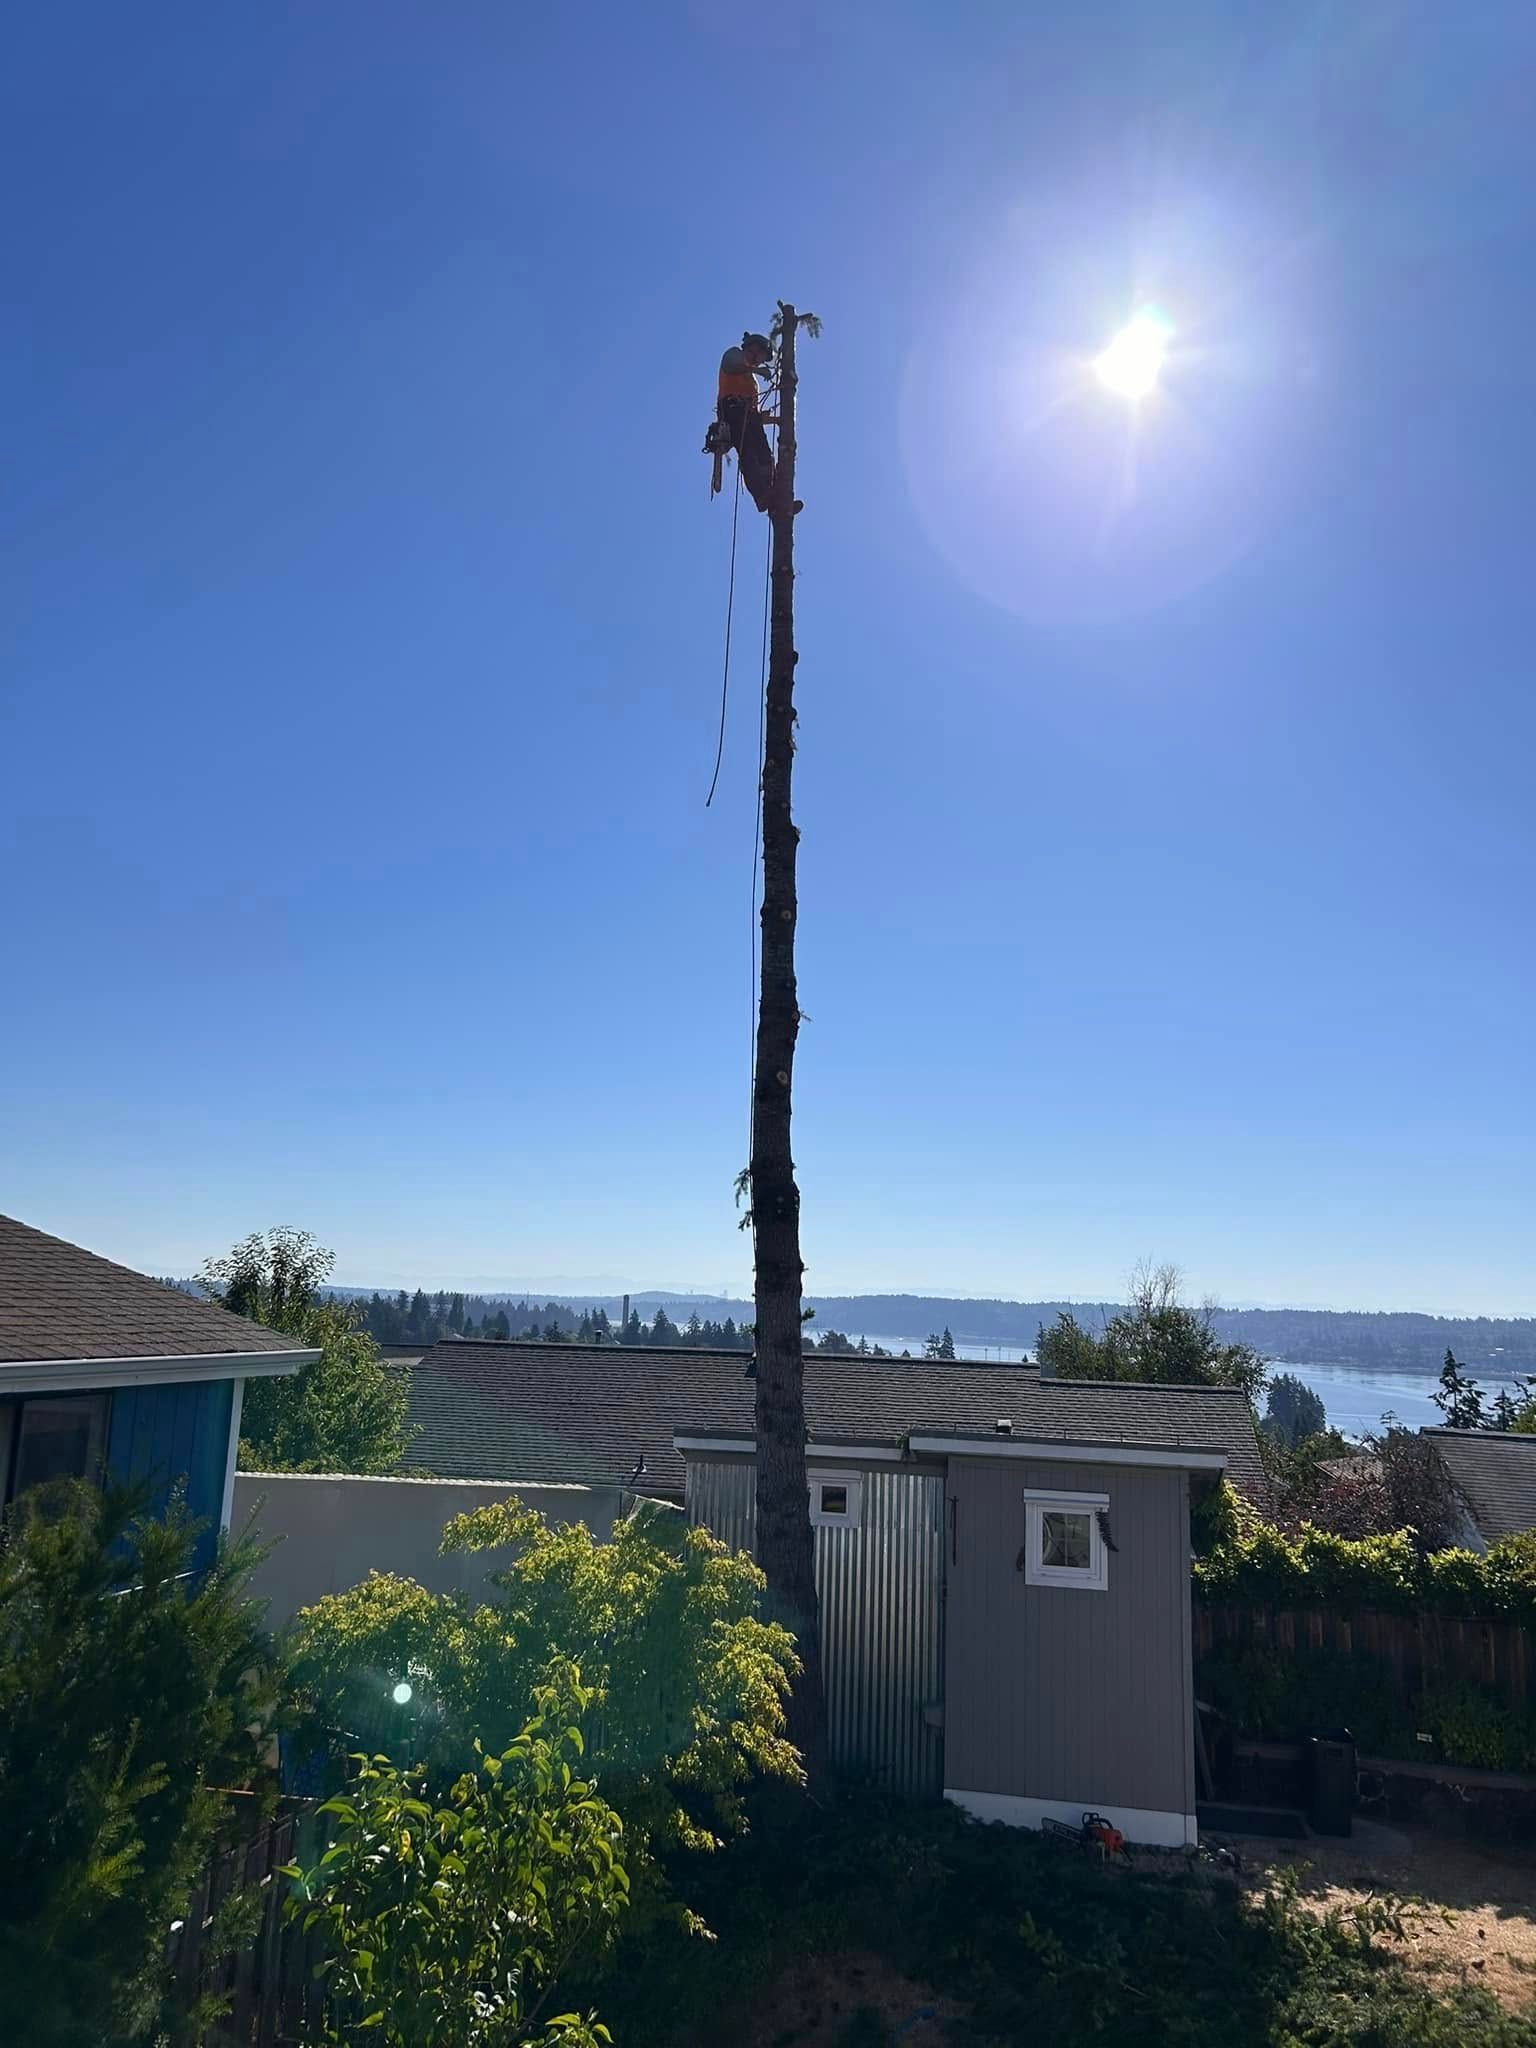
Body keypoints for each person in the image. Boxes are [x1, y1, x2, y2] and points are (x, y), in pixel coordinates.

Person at [714, 330, 775, 511]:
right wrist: (755, 369)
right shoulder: (734, 355)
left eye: (761, 359)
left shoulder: (753, 381)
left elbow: (753, 409)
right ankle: (761, 495)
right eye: (759, 356)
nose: (758, 361)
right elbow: (731, 365)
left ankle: (774, 493)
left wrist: (768, 418)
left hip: (750, 418)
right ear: (752, 347)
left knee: (765, 456)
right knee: (748, 451)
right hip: (732, 412)